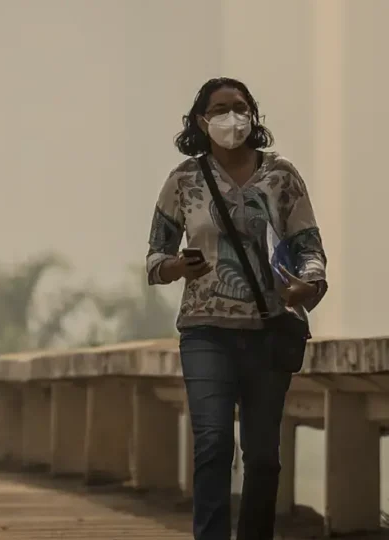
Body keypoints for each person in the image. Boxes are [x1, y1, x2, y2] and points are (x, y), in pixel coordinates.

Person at [146, 77, 328, 540]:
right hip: (206, 331)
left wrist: (308, 284)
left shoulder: (281, 175)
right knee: (213, 444)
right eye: (221, 109)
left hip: (269, 330)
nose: (232, 117)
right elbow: (153, 259)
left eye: (241, 107)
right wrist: (176, 266)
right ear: (201, 121)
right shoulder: (183, 181)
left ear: (254, 115)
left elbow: (308, 245)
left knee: (264, 456)